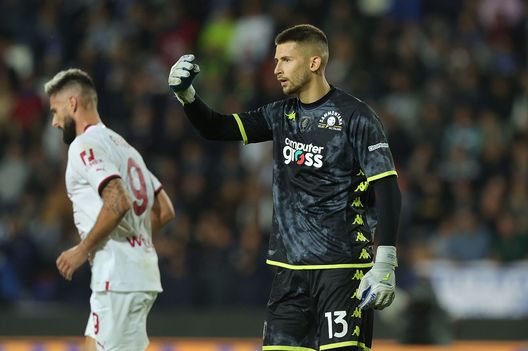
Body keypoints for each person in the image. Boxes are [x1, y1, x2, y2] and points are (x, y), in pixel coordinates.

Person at [168, 24, 401, 351]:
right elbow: (216, 128)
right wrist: (187, 96)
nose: (276, 69)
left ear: (314, 63)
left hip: (342, 269)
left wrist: (385, 262)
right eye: (276, 60)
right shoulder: (279, 115)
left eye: (286, 60)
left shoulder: (356, 117)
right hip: (290, 274)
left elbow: (388, 189)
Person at [45, 68, 175, 351]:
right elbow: (165, 210)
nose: (54, 122)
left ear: (73, 104)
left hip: (117, 278)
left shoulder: (84, 145)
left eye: (55, 111)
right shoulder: (125, 147)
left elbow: (117, 200)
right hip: (132, 275)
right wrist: (135, 243)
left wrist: (81, 249)